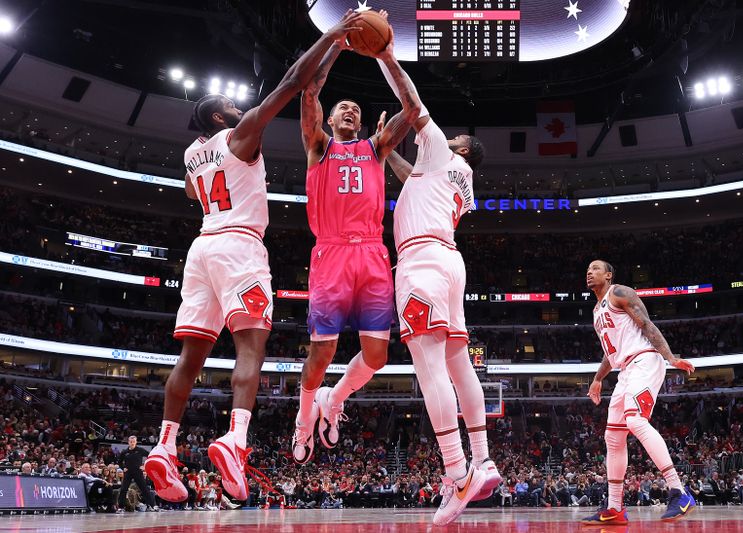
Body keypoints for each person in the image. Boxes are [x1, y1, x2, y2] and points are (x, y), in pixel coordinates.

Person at [142, 10, 368, 503]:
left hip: (200, 249)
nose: (237, 104)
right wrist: (332, 36)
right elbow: (292, 81)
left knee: (191, 357)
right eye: (229, 103)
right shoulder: (240, 133)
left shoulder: (190, 155)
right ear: (223, 118)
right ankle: (235, 440)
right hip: (239, 245)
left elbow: (190, 190)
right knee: (251, 348)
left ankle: (165, 445)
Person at [292, 9, 421, 463]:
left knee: (378, 356)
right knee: (321, 353)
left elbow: (412, 111)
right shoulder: (318, 147)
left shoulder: (376, 148)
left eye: (357, 110)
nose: (351, 110)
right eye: (342, 108)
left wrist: (388, 58)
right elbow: (309, 90)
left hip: (371, 254)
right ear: (328, 121)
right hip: (330, 253)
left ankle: (336, 399)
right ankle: (305, 415)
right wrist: (336, 43)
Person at [378, 56, 493, 525]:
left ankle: (456, 472)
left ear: (462, 148)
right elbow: (414, 179)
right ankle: (483, 459)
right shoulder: (460, 181)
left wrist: (385, 55)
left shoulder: (445, 153)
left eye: (454, 138)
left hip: (421, 260)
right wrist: (387, 155)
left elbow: (410, 97)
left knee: (429, 368)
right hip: (449, 263)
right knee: (456, 362)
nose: (448, 137)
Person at [582, 260, 696, 525]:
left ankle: (679, 492)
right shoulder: (596, 311)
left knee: (634, 420)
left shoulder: (620, 292)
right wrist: (597, 380)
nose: (590, 272)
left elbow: (646, 324)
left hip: (645, 360)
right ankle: (614, 508)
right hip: (625, 370)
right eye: (588, 269)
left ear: (609, 275)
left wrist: (670, 357)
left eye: (596, 268)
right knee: (612, 437)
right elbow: (611, 353)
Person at [117, 436, 156, 512]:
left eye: (133, 442)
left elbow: (150, 456)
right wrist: (123, 467)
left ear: (136, 442)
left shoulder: (140, 450)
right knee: (123, 489)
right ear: (128, 442)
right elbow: (119, 461)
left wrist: (145, 466)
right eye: (131, 442)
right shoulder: (124, 452)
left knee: (144, 489)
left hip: (138, 472)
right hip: (128, 473)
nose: (132, 443)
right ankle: (120, 507)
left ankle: (152, 505)